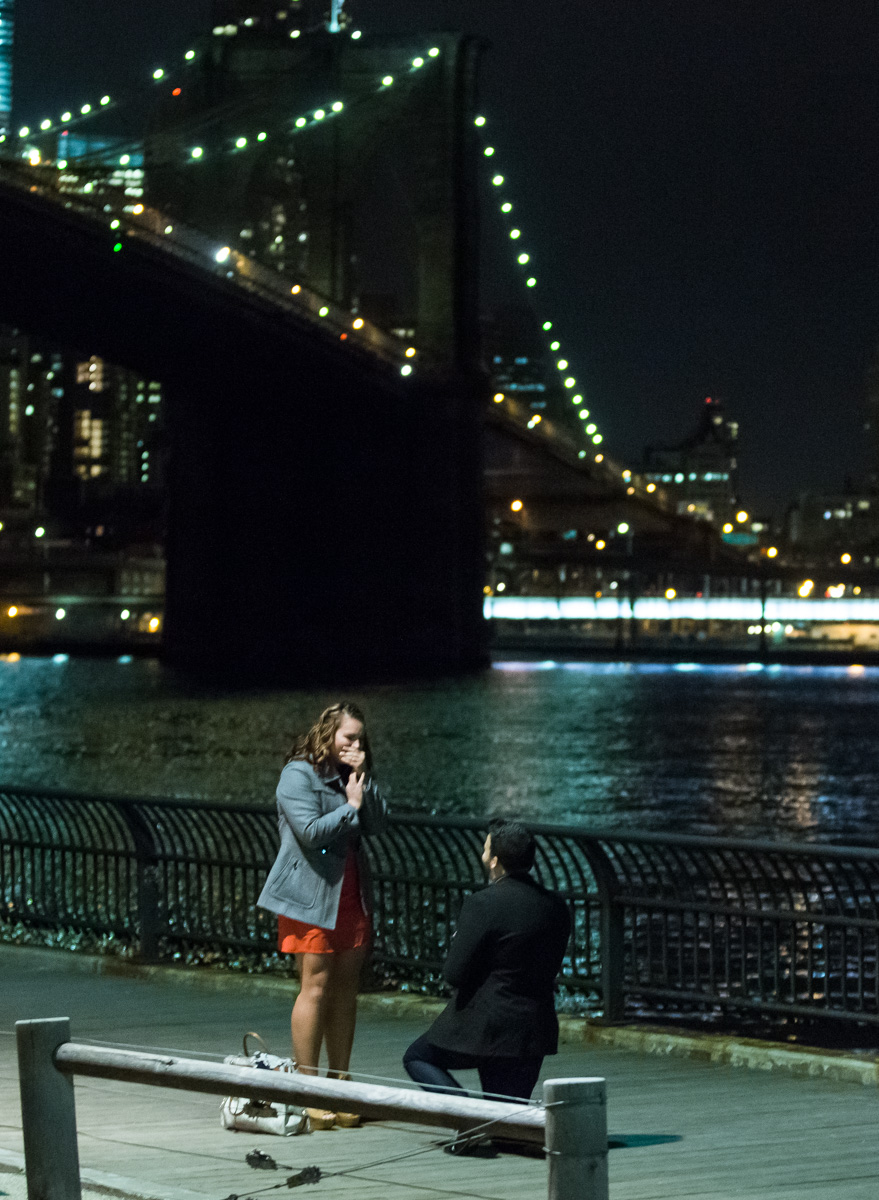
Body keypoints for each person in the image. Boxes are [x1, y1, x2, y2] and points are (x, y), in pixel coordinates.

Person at [258, 702, 387, 1129]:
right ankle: (309, 1086)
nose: (355, 745)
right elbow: (310, 833)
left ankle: (341, 1081)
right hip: (311, 893)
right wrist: (348, 806)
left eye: (360, 739)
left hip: (350, 891)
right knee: (315, 984)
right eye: (348, 737)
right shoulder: (297, 774)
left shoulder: (353, 776)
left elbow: (377, 825)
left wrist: (360, 787)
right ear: (327, 734)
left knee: (347, 987)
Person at [403, 818, 571, 1107]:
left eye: (485, 851)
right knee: (504, 1119)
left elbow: (454, 973)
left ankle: (463, 1111)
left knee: (417, 1057)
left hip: (481, 1029)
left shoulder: (483, 903)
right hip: (532, 1031)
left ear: (494, 861)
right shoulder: (555, 906)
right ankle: (487, 1124)